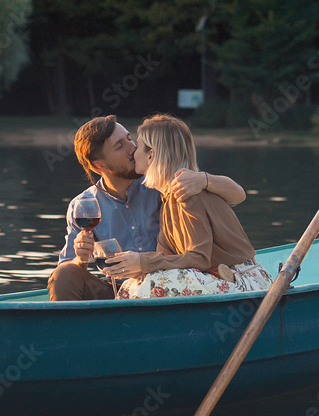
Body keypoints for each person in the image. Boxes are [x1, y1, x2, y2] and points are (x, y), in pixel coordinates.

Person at [48, 115, 247, 301]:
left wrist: (204, 179)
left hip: (168, 280)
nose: (132, 148)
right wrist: (81, 260)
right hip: (117, 289)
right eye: (120, 146)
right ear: (99, 166)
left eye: (129, 138)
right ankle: (68, 331)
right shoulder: (83, 206)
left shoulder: (160, 183)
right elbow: (69, 267)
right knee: (64, 274)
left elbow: (237, 195)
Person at [102, 114, 272, 299]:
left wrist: (143, 261)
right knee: (136, 282)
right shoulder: (167, 198)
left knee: (154, 284)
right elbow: (164, 257)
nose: (133, 152)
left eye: (138, 145)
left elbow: (200, 258)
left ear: (151, 155)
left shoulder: (187, 193)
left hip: (245, 280)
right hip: (217, 278)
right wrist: (135, 266)